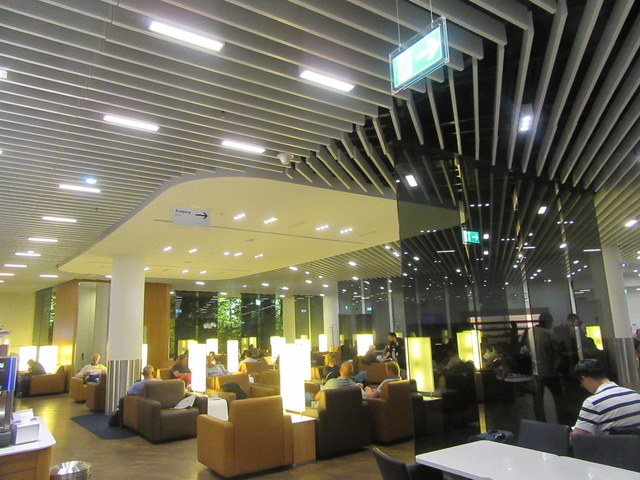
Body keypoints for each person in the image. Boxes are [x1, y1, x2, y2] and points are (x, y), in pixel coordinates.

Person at [571, 359, 640, 435]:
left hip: (612, 443)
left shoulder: (593, 403)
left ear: (585, 378)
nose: (583, 386)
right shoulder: (636, 395)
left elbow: (577, 437)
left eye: (581, 383)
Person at [523, 312, 566, 423]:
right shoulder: (549, 334)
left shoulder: (529, 332)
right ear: (549, 321)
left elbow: (524, 349)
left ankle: (541, 422)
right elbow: (557, 352)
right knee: (558, 397)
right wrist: (557, 367)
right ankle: (562, 421)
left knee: (538, 400)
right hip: (549, 370)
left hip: (535, 370)